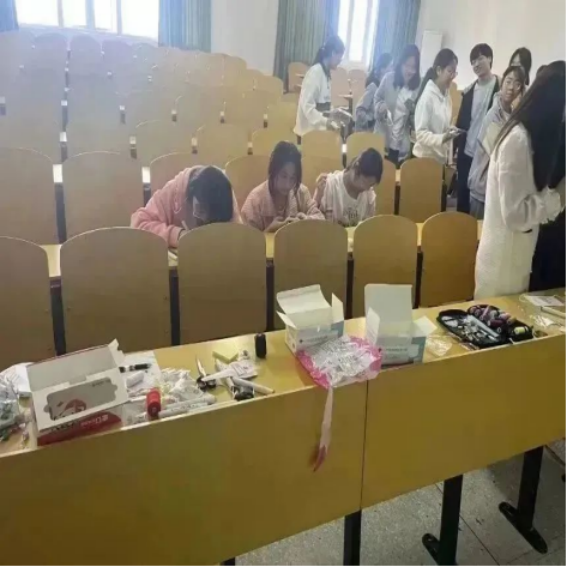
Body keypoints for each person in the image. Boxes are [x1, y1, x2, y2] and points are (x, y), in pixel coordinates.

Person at [475, 63, 567, 300]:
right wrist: (558, 197)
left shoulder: (529, 139)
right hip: (501, 267)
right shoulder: (517, 140)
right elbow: (515, 215)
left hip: (515, 260)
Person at [131, 166, 241, 248]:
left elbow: (237, 238)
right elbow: (138, 225)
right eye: (200, 210)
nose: (204, 218)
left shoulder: (225, 196)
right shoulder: (174, 192)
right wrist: (178, 235)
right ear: (190, 195)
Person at [468, 66, 526, 219]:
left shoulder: (513, 115)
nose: (511, 88)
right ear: (502, 83)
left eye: (517, 84)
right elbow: (499, 153)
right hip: (482, 188)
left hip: (496, 190)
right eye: (509, 81)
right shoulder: (493, 115)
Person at [455, 44, 500, 214]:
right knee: (463, 198)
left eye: (480, 58)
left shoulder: (500, 89)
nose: (476, 64)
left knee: (483, 202)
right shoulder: (468, 92)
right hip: (467, 152)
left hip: (487, 156)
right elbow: (461, 123)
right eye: (473, 61)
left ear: (490, 58)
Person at [241, 142, 324, 232]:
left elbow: (321, 219)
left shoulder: (301, 192)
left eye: (293, 178)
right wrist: (269, 231)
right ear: (273, 171)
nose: (287, 184)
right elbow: (248, 239)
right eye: (283, 176)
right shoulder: (254, 201)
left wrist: (305, 221)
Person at [373, 45, 421, 165]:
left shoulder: (417, 87)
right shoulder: (389, 79)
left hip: (401, 145)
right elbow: (377, 98)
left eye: (413, 67)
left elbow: (417, 120)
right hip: (383, 139)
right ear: (400, 63)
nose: (409, 71)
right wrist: (380, 107)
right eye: (407, 65)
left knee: (397, 175)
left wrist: (413, 113)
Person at [413, 49, 460, 164]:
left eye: (455, 73)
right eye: (450, 71)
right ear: (439, 70)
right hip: (424, 160)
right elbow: (420, 134)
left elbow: (442, 127)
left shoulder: (447, 96)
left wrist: (450, 131)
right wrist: (443, 138)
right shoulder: (427, 97)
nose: (452, 76)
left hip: (439, 160)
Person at [314, 149, 384, 226]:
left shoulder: (369, 196)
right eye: (365, 183)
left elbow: (368, 228)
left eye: (371, 185)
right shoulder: (330, 186)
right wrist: (318, 197)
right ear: (356, 171)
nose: (367, 188)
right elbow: (312, 221)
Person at [295, 35, 346, 137]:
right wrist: (326, 121)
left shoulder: (326, 74)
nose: (340, 61)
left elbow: (322, 105)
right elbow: (308, 107)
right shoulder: (315, 73)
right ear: (333, 53)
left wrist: (333, 112)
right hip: (307, 134)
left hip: (318, 133)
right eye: (340, 57)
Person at [354, 53, 393, 132]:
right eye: (391, 66)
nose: (393, 69)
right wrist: (371, 121)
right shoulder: (373, 87)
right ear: (382, 69)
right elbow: (360, 110)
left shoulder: (386, 88)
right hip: (369, 131)